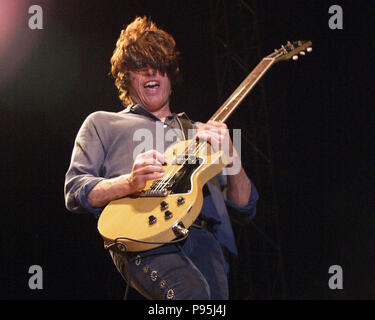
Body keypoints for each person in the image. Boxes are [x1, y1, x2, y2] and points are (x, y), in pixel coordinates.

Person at [64, 16, 258, 300]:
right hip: (144, 236)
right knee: (191, 295)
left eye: (161, 66)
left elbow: (245, 209)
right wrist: (129, 182)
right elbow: (74, 190)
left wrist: (232, 156)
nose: (152, 73)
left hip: (206, 241)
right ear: (125, 76)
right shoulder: (101, 123)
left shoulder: (205, 133)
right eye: (141, 67)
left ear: (172, 74)